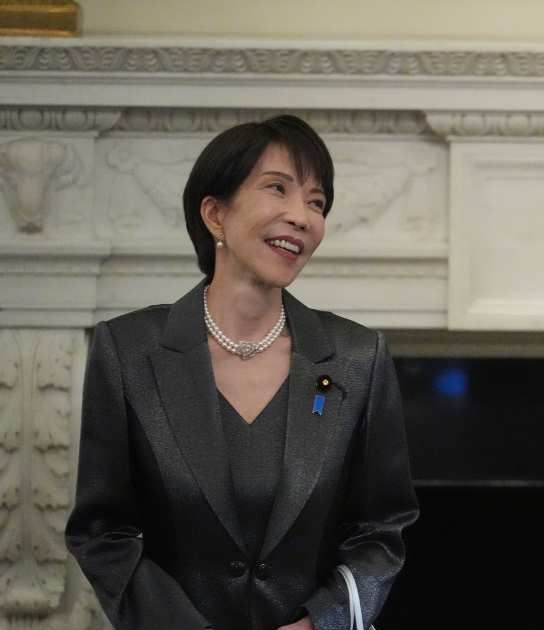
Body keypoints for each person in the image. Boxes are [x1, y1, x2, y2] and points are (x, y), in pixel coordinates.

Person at [66, 115, 418, 630]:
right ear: (215, 214)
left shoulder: (357, 357)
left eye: (317, 202)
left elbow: (380, 531)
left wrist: (323, 623)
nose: (302, 216)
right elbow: (102, 533)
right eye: (278, 189)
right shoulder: (128, 351)